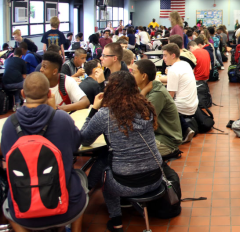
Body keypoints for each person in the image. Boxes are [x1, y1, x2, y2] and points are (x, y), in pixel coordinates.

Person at [1, 72, 88, 232]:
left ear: (22, 93)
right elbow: (76, 145)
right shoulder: (62, 119)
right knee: (81, 179)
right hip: (66, 208)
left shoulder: (9, 124)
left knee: (7, 207)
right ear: (49, 93)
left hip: (25, 210)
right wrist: (54, 110)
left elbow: (6, 158)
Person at [80, 71, 162, 231]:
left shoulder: (105, 115)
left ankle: (116, 220)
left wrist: (93, 110)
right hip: (156, 177)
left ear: (110, 89)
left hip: (127, 184)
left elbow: (84, 139)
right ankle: (134, 206)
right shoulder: (146, 107)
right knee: (110, 160)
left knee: (105, 173)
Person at [133, 59, 183, 156]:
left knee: (131, 152)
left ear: (144, 76)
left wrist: (142, 93)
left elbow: (141, 118)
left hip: (166, 140)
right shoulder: (140, 87)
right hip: (153, 135)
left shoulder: (157, 93)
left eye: (134, 72)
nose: (131, 76)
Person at [163, 44, 197, 143]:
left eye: (165, 55)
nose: (163, 58)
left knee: (161, 106)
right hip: (193, 103)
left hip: (182, 107)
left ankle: (175, 134)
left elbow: (170, 96)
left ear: (173, 55)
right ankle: (185, 129)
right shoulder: (185, 64)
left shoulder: (173, 70)